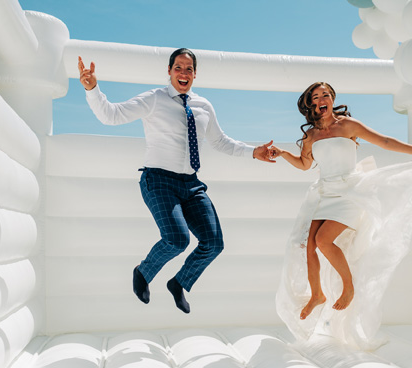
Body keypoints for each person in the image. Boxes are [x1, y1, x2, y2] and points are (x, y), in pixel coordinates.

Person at [78, 48, 276, 314]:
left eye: (189, 69)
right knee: (177, 240)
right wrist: (93, 89)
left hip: (191, 184)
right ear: (169, 71)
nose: (184, 73)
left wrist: (254, 151)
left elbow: (220, 141)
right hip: (158, 180)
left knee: (214, 242)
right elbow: (111, 115)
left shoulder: (204, 106)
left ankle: (179, 282)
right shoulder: (154, 99)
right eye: (178, 68)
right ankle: (143, 272)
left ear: (195, 74)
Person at [271, 81, 412, 348]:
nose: (321, 99)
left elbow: (383, 141)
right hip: (324, 192)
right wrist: (282, 153)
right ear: (311, 104)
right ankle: (317, 294)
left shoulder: (348, 126)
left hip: (349, 191)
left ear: (332, 98)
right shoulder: (312, 136)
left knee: (325, 241)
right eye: (316, 97)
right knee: (307, 246)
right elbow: (305, 164)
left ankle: (348, 286)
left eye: (325, 94)